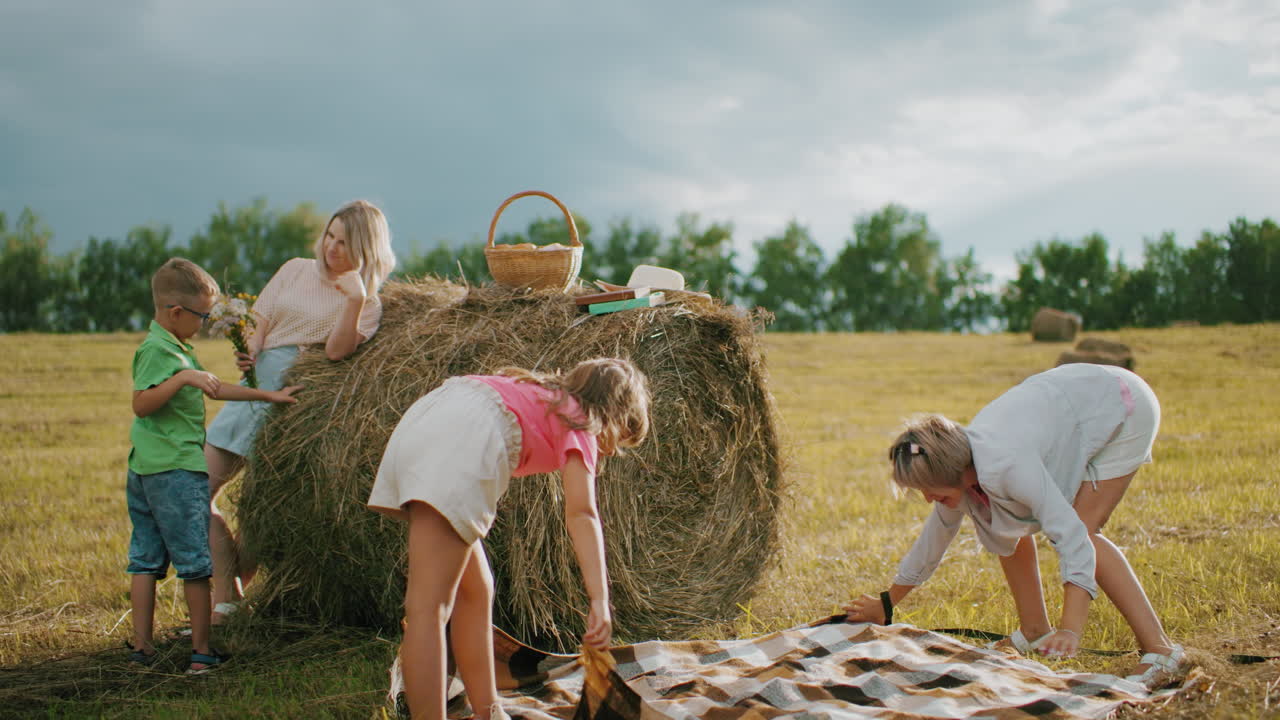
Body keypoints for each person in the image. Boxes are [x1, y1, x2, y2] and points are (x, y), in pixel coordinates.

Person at [844, 362, 1185, 688]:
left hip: (1120, 404)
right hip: (1073, 399)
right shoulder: (962, 468)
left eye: (928, 491)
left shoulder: (1008, 466)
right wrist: (887, 604)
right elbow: (932, 544)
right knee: (1001, 525)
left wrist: (1072, 631)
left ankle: (1161, 649)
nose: (927, 500)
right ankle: (1036, 629)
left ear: (956, 475)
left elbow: (1073, 539)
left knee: (1086, 528)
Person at [368, 358, 651, 720]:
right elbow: (582, 513)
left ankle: (489, 711)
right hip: (462, 441)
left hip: (427, 422)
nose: (610, 452)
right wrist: (599, 599)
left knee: (476, 590)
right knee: (428, 609)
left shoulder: (542, 396)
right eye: (617, 439)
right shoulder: (582, 419)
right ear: (611, 412)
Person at [203, 199, 396, 623]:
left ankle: (225, 610)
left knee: (260, 513)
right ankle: (229, 595)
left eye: (345, 242)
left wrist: (355, 300)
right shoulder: (294, 268)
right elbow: (261, 315)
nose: (332, 247)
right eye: (330, 235)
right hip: (255, 391)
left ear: (366, 248)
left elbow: (336, 350)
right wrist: (250, 347)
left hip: (296, 406)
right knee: (195, 490)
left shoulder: (368, 303)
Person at [127, 258, 300, 673]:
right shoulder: (156, 351)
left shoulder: (177, 347)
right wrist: (183, 380)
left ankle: (143, 649)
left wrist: (268, 396)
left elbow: (216, 388)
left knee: (146, 560)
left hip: (150, 469)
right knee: (194, 566)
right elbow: (142, 404)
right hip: (173, 471)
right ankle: (202, 652)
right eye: (202, 317)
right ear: (175, 313)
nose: (205, 324)